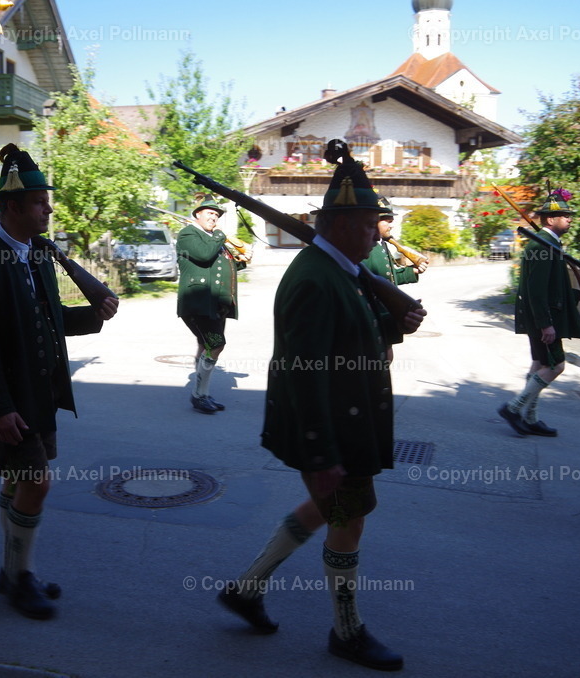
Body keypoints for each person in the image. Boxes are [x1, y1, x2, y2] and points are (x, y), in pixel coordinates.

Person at [217, 140, 426, 671]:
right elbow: (304, 372)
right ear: (338, 224)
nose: (376, 231)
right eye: (366, 223)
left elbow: (347, 337)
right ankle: (346, 631)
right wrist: (322, 452)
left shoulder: (343, 271)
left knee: (340, 510)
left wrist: (389, 324)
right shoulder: (316, 277)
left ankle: (246, 588)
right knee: (348, 518)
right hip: (327, 426)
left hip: (344, 422)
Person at [0, 144, 118, 620]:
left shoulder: (38, 256)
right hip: (7, 396)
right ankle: (20, 576)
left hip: (40, 392)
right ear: (11, 208)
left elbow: (48, 320)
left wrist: (95, 315)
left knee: (19, 481)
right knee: (37, 482)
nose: (49, 208)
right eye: (41, 202)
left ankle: (12, 570)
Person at [497, 189, 580, 437]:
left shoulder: (549, 244)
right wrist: (546, 325)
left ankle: (530, 418)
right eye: (564, 215)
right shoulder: (542, 246)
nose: (570, 219)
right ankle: (514, 408)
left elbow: (554, 287)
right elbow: (537, 290)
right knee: (556, 365)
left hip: (541, 317)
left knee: (540, 364)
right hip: (543, 320)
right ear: (550, 220)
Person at [176, 196, 247, 414]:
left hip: (215, 305)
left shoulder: (210, 237)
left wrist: (241, 260)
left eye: (216, 215)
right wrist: (220, 236)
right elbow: (204, 255)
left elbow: (220, 265)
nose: (214, 218)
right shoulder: (189, 234)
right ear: (198, 214)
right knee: (216, 344)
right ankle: (199, 395)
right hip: (198, 303)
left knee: (206, 344)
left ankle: (203, 393)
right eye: (210, 213)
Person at [362, 199, 428, 285]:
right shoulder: (364, 247)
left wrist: (413, 271)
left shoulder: (381, 243)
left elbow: (388, 278)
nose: (391, 226)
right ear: (374, 221)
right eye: (388, 221)